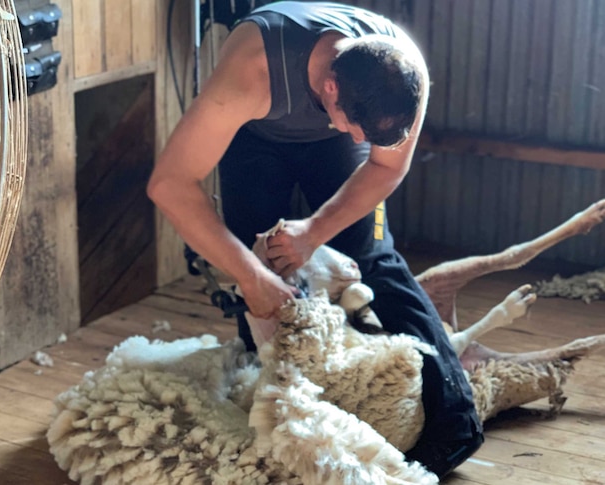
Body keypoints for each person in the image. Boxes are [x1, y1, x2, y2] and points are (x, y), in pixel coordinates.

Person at [146, 1, 483, 478]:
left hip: (333, 130)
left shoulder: (404, 69)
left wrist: (315, 232)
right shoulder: (251, 70)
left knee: (370, 253)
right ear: (330, 88)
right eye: (355, 127)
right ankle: (272, 408)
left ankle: (455, 421)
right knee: (256, 264)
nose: (356, 136)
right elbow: (169, 185)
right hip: (255, 129)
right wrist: (249, 274)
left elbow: (387, 166)